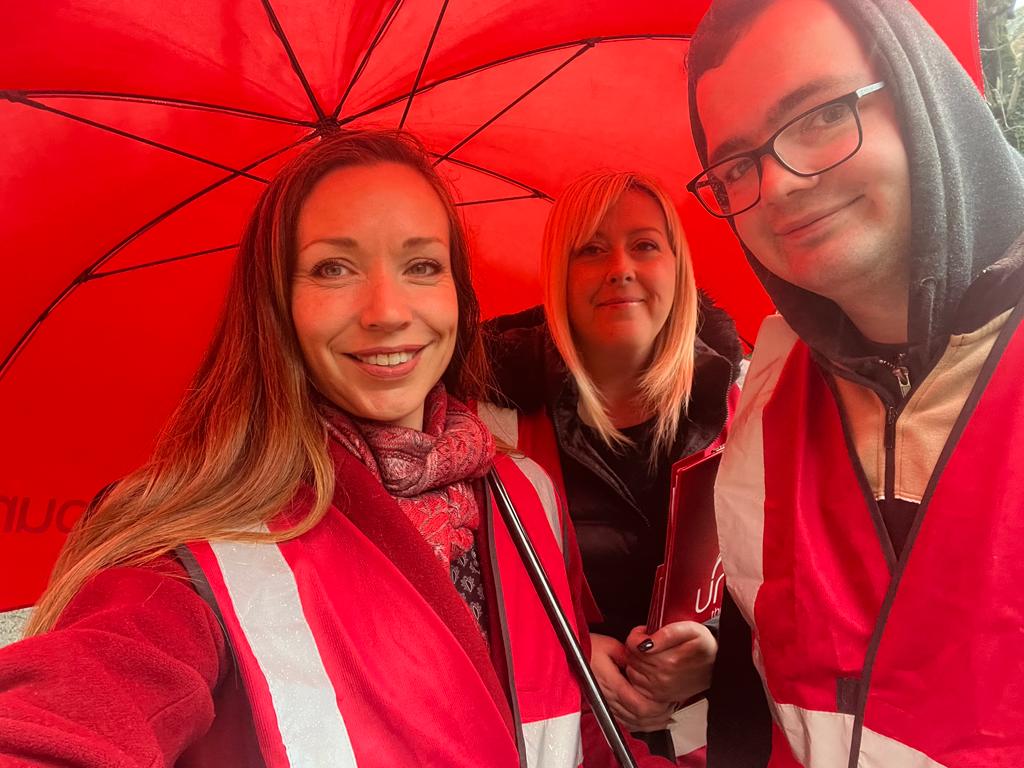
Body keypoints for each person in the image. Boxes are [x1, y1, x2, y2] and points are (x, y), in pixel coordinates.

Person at [0, 130, 671, 767]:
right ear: (276, 306)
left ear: (458, 297)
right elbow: (77, 705)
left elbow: (573, 723)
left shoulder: (525, 489)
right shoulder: (201, 551)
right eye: (333, 267)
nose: (386, 310)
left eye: (421, 265)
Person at [685, 0, 1024, 765]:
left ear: (920, 94)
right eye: (737, 165)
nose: (778, 186)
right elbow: (762, 688)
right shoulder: (767, 401)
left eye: (821, 116)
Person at [484, 171, 743, 763]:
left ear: (678, 268)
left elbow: (801, 593)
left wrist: (718, 654)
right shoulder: (488, 423)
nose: (619, 267)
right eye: (591, 250)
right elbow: (466, 598)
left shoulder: (749, 407)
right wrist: (567, 650)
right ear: (559, 275)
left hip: (716, 745)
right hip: (560, 742)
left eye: (645, 245)